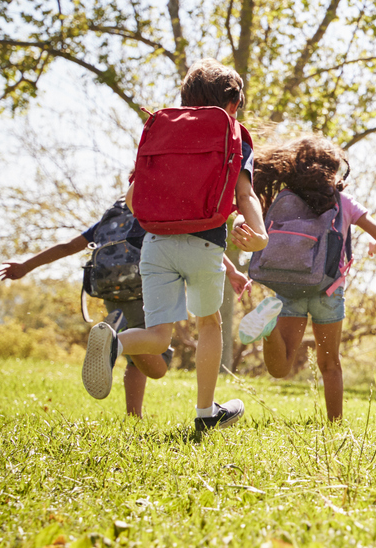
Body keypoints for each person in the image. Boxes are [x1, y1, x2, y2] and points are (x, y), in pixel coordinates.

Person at [81, 58, 269, 432]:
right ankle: (205, 413)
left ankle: (115, 345)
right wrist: (259, 234)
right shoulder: (232, 133)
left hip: (155, 244)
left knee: (157, 335)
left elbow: (134, 200)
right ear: (232, 104)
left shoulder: (165, 131)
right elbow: (245, 194)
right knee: (209, 324)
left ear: (185, 100)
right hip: (203, 245)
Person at [0, 207, 249, 416]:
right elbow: (192, 240)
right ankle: (118, 346)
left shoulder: (112, 218)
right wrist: (232, 271)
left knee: (136, 353)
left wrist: (26, 266)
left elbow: (68, 246)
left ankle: (128, 392)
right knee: (156, 361)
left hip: (111, 288)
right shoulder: (153, 212)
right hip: (142, 283)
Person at [234, 136, 376, 421]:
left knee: (280, 368)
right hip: (328, 292)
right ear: (334, 169)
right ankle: (334, 425)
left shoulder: (283, 198)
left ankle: (268, 330)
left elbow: (244, 217)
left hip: (289, 287)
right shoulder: (342, 202)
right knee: (330, 364)